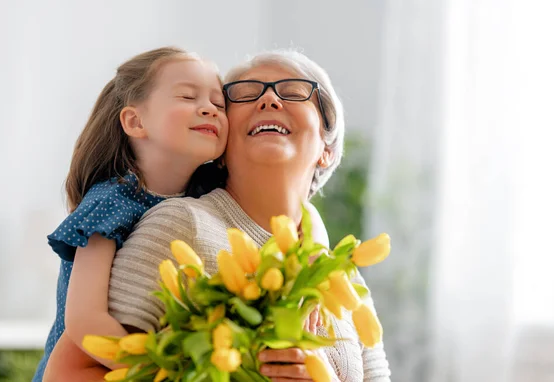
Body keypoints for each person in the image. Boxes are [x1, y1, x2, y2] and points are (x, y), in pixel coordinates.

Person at [45, 50, 390, 381]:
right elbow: (68, 372)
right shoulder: (178, 224)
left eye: (294, 92)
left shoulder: (345, 280)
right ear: (221, 147)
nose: (269, 101)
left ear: (327, 151)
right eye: (245, 94)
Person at [32, 46, 230, 381]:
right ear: (135, 121)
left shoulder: (208, 198)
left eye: (218, 103)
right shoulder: (113, 200)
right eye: (187, 96)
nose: (209, 109)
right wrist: (155, 371)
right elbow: (85, 319)